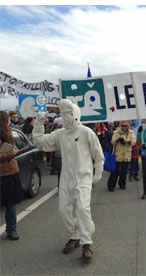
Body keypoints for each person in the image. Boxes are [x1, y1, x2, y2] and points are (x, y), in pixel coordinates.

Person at [32, 99, 104, 260]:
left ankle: (87, 243)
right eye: (63, 114)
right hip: (66, 178)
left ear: (76, 115)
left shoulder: (86, 132)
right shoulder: (60, 134)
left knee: (83, 209)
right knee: (63, 210)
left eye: (68, 114)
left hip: (83, 177)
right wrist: (39, 122)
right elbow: (40, 142)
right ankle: (74, 236)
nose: (65, 118)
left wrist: (97, 173)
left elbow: (98, 155)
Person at [0, 111, 24, 240]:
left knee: (11, 203)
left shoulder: (8, 132)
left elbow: (10, 149)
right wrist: (11, 153)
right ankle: (12, 229)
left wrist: (11, 152)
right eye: (9, 119)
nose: (10, 121)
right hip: (3, 173)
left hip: (10, 172)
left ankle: (11, 229)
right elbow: (5, 153)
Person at [107, 120, 136, 191]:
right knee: (114, 171)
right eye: (122, 126)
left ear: (128, 126)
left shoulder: (131, 132)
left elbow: (134, 142)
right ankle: (111, 186)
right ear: (120, 126)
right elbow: (112, 142)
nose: (124, 127)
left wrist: (128, 141)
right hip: (118, 154)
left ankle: (122, 184)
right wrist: (117, 140)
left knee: (124, 171)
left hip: (126, 154)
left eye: (125, 126)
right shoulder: (116, 132)